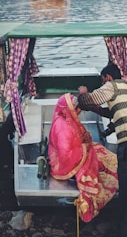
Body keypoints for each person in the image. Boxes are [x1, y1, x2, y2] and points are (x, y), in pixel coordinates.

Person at [78, 63, 127, 237]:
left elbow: (92, 99)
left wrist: (83, 94)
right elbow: (113, 115)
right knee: (125, 188)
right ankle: (123, 228)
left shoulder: (113, 85)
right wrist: (104, 131)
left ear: (108, 77)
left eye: (103, 81)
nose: (103, 84)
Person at [48, 92, 118, 222]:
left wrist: (85, 140)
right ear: (68, 109)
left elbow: (77, 136)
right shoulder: (62, 127)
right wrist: (84, 147)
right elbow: (66, 156)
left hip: (71, 154)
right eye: (76, 109)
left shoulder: (67, 119)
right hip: (63, 165)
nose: (78, 111)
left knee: (100, 151)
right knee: (96, 157)